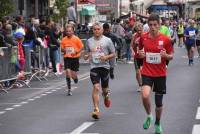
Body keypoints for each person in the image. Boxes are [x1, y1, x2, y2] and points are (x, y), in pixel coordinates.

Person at [138, 13, 173, 134]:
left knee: (159, 103)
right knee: (145, 95)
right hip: (147, 71)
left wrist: (166, 55)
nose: (152, 27)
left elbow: (171, 56)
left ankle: (157, 123)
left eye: (155, 25)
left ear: (159, 25)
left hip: (160, 73)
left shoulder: (165, 39)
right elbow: (140, 51)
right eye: (150, 24)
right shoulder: (144, 37)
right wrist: (141, 54)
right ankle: (149, 115)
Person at [83, 22, 115, 119]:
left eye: (98, 29)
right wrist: (87, 55)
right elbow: (85, 56)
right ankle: (96, 109)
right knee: (96, 87)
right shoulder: (89, 41)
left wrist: (105, 57)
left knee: (104, 89)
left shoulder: (107, 41)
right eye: (94, 29)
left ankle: (106, 97)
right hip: (94, 67)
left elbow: (113, 54)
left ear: (102, 30)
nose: (96, 31)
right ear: (92, 30)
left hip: (105, 67)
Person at [61, 24, 84, 96]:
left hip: (75, 58)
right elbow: (62, 49)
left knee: (73, 74)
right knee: (67, 72)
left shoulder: (76, 39)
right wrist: (64, 50)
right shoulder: (63, 39)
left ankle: (75, 78)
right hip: (67, 58)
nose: (68, 32)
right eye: (67, 31)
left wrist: (76, 51)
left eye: (70, 31)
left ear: (73, 31)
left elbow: (81, 47)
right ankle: (69, 89)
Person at [130, 22, 143, 92]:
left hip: (144, 56)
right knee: (138, 72)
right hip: (137, 56)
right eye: (138, 30)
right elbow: (131, 46)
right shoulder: (134, 36)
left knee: (144, 71)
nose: (139, 32)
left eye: (140, 30)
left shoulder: (145, 35)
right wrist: (132, 51)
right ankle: (140, 85)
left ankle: (146, 84)